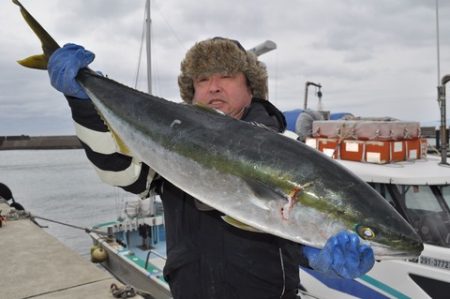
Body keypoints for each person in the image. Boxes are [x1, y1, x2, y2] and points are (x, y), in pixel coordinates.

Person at [47, 37, 375, 299]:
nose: (213, 86)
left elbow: (291, 225)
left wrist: (313, 252)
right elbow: (120, 173)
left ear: (251, 88)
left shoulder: (287, 151)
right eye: (203, 79)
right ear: (193, 93)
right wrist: (84, 104)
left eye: (226, 76)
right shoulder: (171, 143)